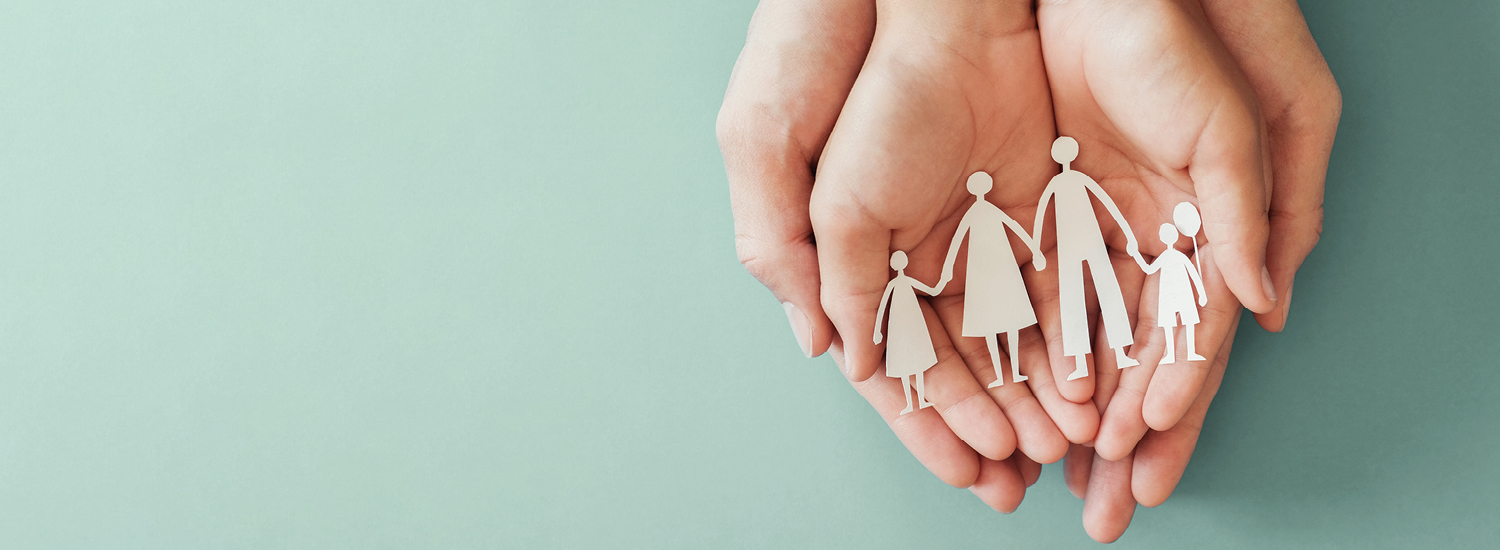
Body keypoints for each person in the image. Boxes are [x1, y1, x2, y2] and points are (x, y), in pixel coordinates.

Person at [1032, 137, 1141, 380]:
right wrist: (1036, 249)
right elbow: (1040, 213)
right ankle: (1082, 364)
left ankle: (1120, 355)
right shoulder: (1056, 183)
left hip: (1089, 240)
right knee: (1074, 301)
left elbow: (1108, 204)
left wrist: (1127, 233)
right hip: (1069, 244)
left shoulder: (1075, 180)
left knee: (1104, 292)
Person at [935, 171, 1046, 387]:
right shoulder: (978, 212)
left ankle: (1009, 372)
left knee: (1000, 324)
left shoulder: (980, 211)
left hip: (998, 269)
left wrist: (1036, 249)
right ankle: (1006, 372)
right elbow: (959, 239)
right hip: (986, 272)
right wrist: (1034, 249)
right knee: (995, 325)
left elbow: (1011, 226)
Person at [874, 251, 939, 414]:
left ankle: (918, 401)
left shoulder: (897, 283)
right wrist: (877, 330)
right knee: (907, 363)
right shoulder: (896, 284)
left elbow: (931, 289)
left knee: (914, 361)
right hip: (900, 324)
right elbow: (882, 306)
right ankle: (912, 402)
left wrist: (941, 283)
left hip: (910, 323)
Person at [1136, 223, 1209, 364]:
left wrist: (1202, 293)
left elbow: (1193, 274)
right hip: (1169, 294)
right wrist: (1136, 255)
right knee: (1171, 324)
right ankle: (1171, 354)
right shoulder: (1165, 257)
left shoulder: (1178, 256)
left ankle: (1190, 352)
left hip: (1182, 292)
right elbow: (1150, 269)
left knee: (1188, 322)